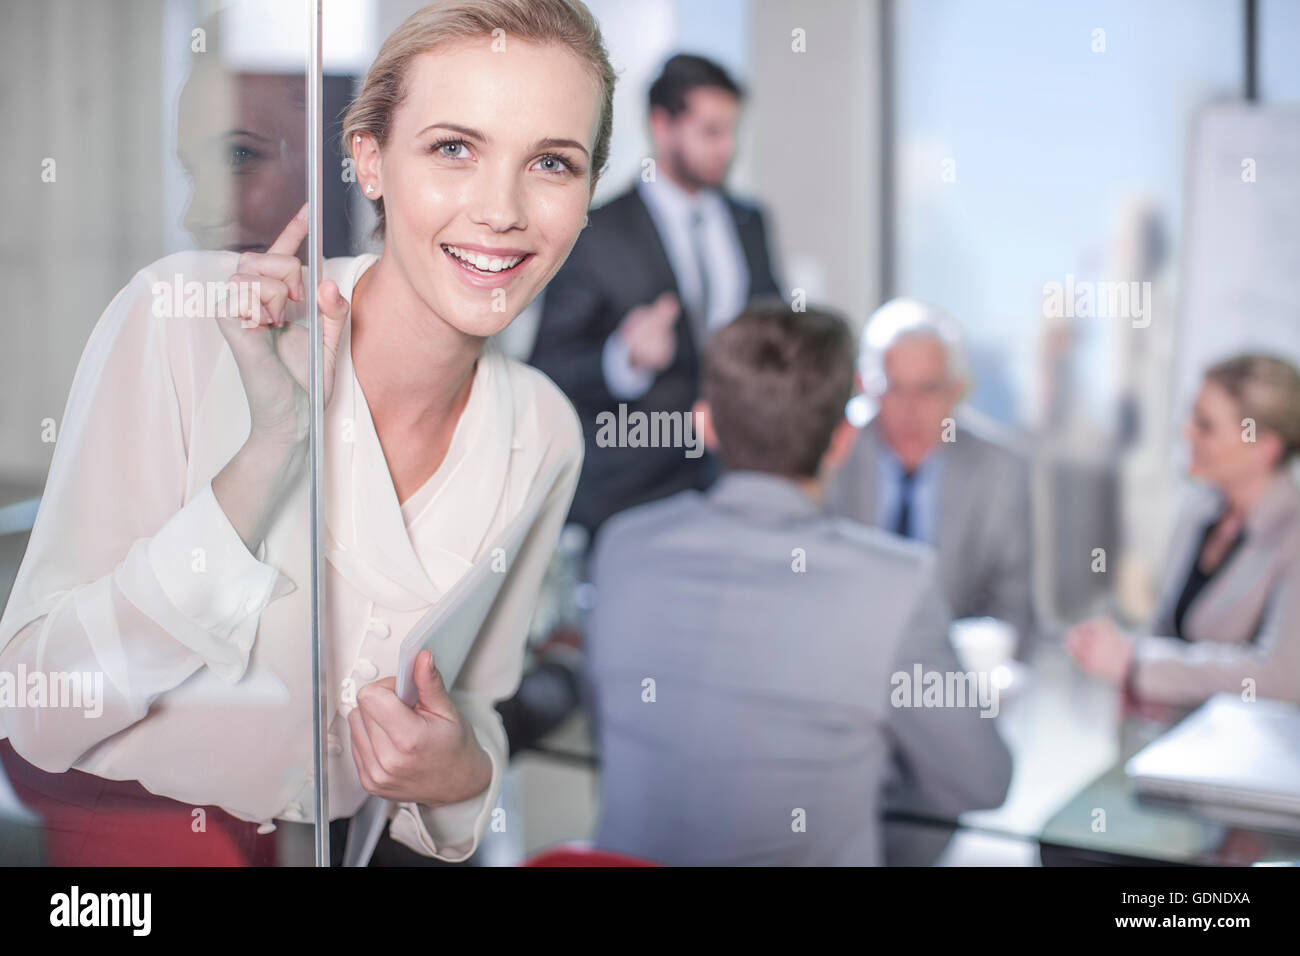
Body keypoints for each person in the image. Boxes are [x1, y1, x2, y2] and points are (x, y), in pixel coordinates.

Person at [0, 0, 615, 865]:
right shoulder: (181, 320)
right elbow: (36, 713)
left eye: (552, 162)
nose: (502, 209)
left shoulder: (545, 428)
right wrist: (263, 458)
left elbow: (474, 709)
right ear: (368, 159)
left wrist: (459, 774)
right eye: (453, 148)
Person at [584, 302, 1012, 866]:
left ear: (704, 424)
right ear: (842, 438)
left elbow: (605, 729)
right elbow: (983, 783)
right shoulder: (895, 586)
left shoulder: (620, 549)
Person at [529, 53, 783, 539]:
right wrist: (621, 358)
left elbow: (768, 330)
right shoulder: (594, 232)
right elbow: (549, 367)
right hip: (634, 497)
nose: (727, 148)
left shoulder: (751, 223)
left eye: (732, 131)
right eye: (711, 131)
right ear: (662, 126)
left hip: (740, 486)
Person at [1066, 354, 1300, 707]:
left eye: (1205, 425)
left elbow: (1282, 677)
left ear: (1264, 448)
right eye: (1192, 417)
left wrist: (1139, 664)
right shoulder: (1199, 509)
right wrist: (1120, 653)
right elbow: (1166, 630)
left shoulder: (1291, 533)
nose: (1187, 432)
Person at [825, 298, 1036, 659]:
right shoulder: (831, 455)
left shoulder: (1000, 470)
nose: (910, 411)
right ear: (864, 386)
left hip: (952, 677)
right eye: (893, 388)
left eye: (927, 389)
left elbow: (1014, 613)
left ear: (957, 390)